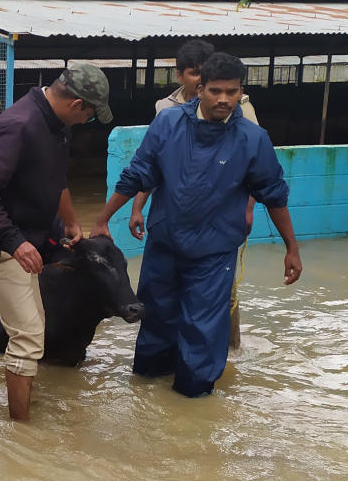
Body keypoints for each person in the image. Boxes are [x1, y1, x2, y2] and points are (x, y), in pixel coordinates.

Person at [91, 53, 302, 397]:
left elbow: (273, 195)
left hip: (214, 252)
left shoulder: (253, 138)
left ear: (240, 93)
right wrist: (102, 218)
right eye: (215, 91)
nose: (223, 99)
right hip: (164, 245)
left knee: (202, 327)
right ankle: (147, 394)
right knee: (155, 317)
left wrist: (292, 248)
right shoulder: (168, 123)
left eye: (231, 92)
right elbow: (138, 174)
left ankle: (192, 401)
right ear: (199, 89)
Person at [0, 60, 113, 421]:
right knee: (29, 337)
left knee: (34, 328)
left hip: (28, 237)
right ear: (77, 105)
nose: (88, 123)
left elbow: (56, 178)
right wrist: (15, 242)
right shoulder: (18, 126)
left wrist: (71, 221)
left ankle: (24, 397)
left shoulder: (57, 124)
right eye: (90, 116)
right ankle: (22, 432)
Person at [138, 39, 260, 350]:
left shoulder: (241, 109)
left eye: (227, 89)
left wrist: (247, 209)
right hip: (175, 215)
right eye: (195, 74)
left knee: (220, 289)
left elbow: (254, 167)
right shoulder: (166, 109)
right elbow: (151, 165)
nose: (220, 95)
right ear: (182, 76)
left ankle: (230, 346)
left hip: (218, 218)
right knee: (167, 287)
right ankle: (176, 349)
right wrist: (139, 207)